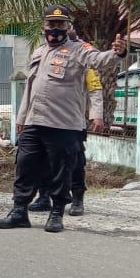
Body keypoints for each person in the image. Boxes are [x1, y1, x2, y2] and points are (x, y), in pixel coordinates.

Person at [0, 5, 126, 233]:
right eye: (51, 24)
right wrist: (21, 117)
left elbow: (99, 60)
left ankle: (56, 214)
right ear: (44, 26)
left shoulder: (79, 50)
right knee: (25, 167)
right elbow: (30, 87)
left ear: (68, 26)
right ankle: (19, 211)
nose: (55, 29)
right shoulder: (38, 51)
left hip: (63, 125)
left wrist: (117, 53)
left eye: (60, 24)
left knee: (61, 171)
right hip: (34, 122)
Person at [27, 28, 105, 217]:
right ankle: (44, 196)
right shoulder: (43, 51)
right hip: (45, 120)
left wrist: (97, 115)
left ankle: (77, 199)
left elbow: (94, 88)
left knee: (76, 162)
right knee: (44, 160)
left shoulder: (83, 56)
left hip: (72, 122)